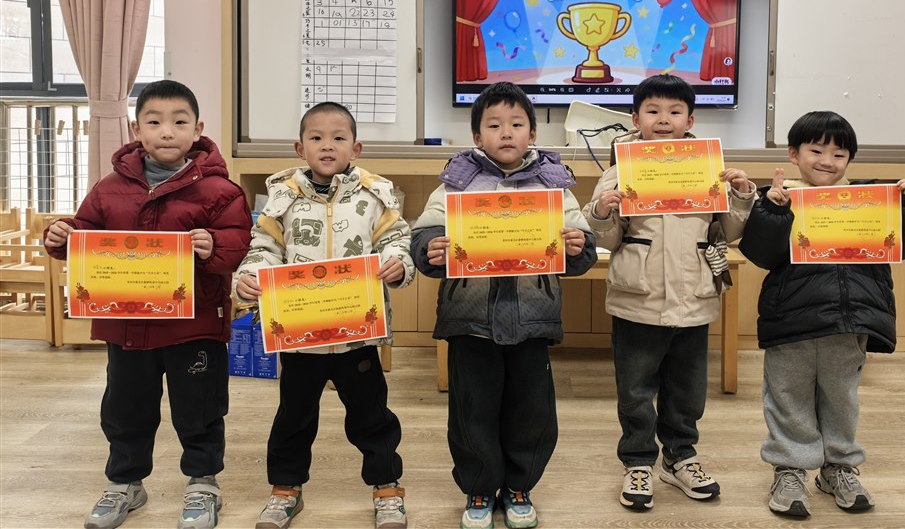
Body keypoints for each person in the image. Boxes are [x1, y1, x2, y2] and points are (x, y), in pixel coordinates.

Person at [43, 80, 254, 529]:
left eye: (179, 122)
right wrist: (63, 236)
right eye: (154, 122)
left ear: (198, 129)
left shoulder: (221, 191)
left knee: (199, 409)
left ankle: (203, 483)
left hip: (194, 327)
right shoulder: (108, 188)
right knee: (125, 409)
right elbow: (85, 233)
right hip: (127, 328)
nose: (167, 131)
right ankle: (125, 483)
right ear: (137, 130)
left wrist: (213, 245)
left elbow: (238, 243)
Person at [411, 82, 597, 529]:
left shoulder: (554, 183)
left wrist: (578, 246)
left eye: (516, 124)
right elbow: (425, 234)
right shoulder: (456, 182)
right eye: (494, 125)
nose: (506, 132)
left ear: (532, 133)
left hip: (533, 319)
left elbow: (582, 247)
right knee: (471, 412)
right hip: (469, 320)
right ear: (477, 136)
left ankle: (518, 486)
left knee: (532, 412)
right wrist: (429, 248)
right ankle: (479, 487)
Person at [738, 110, 905, 518]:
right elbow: (760, 253)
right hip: (791, 320)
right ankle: (790, 469)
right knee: (788, 397)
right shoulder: (778, 198)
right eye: (816, 150)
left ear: (849, 160)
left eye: (839, 154)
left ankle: (839, 468)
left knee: (842, 399)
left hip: (850, 321)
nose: (827, 161)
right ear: (793, 154)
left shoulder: (871, 200)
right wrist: (773, 212)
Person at [233, 101, 413, 529]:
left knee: (372, 417)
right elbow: (264, 247)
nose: (327, 145)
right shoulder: (282, 197)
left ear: (356, 148)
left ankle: (387, 488)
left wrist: (398, 263)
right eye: (316, 138)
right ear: (300, 148)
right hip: (300, 338)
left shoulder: (376, 195)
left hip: (357, 337)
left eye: (338, 138)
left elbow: (396, 239)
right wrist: (248, 276)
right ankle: (285, 489)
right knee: (293, 418)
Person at [581, 73, 756, 511]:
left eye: (675, 111)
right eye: (653, 111)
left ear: (690, 120)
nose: (664, 119)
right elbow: (608, 240)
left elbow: (728, 231)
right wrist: (601, 211)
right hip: (636, 299)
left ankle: (680, 457)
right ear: (635, 118)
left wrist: (740, 195)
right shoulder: (618, 172)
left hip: (694, 298)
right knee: (635, 391)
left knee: (687, 390)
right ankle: (638, 461)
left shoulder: (709, 169)